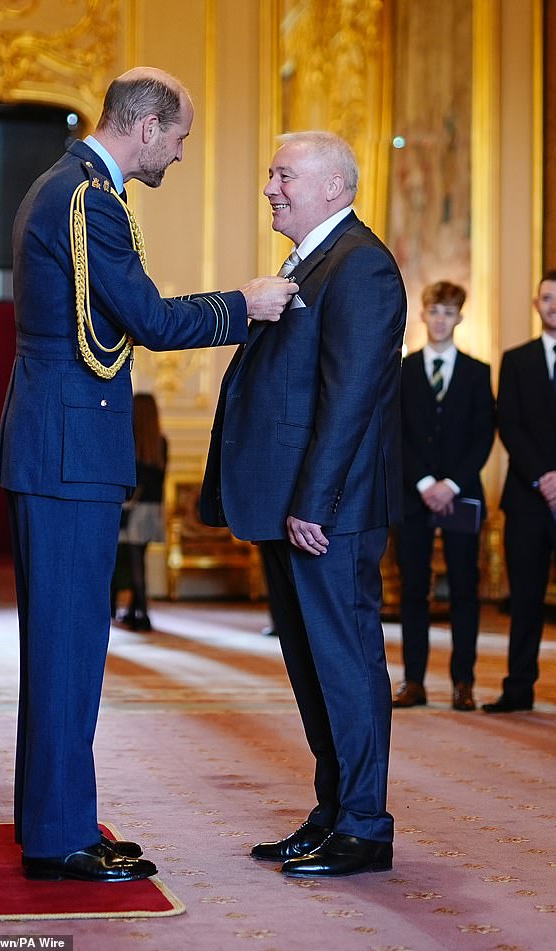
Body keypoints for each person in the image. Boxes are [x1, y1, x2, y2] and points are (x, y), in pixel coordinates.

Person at [0, 66, 296, 883]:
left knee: (62, 640)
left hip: (58, 441)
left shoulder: (69, 183)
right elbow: (153, 320)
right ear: (149, 125)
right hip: (68, 449)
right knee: (67, 643)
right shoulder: (89, 198)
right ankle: (59, 839)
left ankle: (51, 817)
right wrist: (245, 302)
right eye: (182, 138)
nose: (182, 155)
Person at [200, 131, 407, 877]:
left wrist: (314, 503)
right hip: (296, 505)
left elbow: (349, 399)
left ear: (333, 186)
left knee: (345, 666)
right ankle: (333, 813)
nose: (270, 186)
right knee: (313, 667)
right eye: (269, 171)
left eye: (283, 173)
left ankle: (364, 825)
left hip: (330, 513)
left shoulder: (362, 267)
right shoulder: (314, 261)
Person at [392, 281, 495, 712]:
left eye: (448, 313)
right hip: (413, 495)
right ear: (424, 315)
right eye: (434, 311)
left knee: (464, 589)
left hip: (460, 495)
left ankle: (463, 682)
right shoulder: (404, 370)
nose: (440, 320)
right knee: (414, 588)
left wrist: (450, 484)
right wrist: (423, 483)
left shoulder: (477, 372)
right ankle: (414, 680)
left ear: (459, 318)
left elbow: (483, 435)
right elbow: (395, 432)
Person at [483, 270, 556, 713]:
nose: (554, 305)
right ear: (536, 303)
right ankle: (518, 689)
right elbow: (508, 423)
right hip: (527, 498)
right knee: (525, 600)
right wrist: (545, 478)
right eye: (547, 298)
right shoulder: (516, 359)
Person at [112, 392, 167, 631]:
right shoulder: (160, 442)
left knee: (131, 563)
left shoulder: (131, 442)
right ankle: (137, 611)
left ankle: (142, 613)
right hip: (153, 510)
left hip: (134, 510)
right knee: (139, 561)